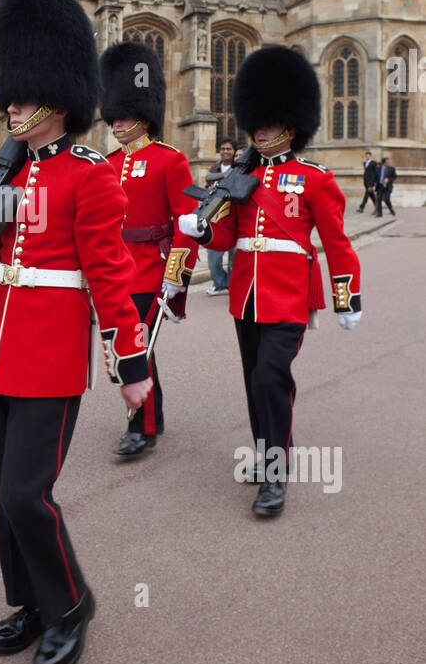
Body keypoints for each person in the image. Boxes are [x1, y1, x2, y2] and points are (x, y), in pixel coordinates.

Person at [0, 0, 153, 664]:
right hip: (1, 354)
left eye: (21, 97)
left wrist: (132, 363)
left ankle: (72, 603)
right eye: (9, 96)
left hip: (51, 359)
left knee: (27, 492)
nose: (10, 106)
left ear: (58, 98)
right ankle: (28, 601)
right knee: (1, 491)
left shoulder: (90, 179)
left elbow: (109, 279)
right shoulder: (8, 180)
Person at [179, 46, 362, 519]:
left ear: (290, 126)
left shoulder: (315, 179)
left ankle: (275, 476)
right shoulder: (241, 178)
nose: (257, 130)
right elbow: (229, 234)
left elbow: (337, 243)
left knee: (269, 377)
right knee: (255, 383)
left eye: (267, 123)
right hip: (246, 296)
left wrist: (346, 296)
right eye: (255, 123)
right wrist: (201, 230)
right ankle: (267, 455)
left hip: (289, 297)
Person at [99, 39, 199, 458]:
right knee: (121, 343)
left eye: (124, 117)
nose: (117, 124)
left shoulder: (169, 160)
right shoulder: (105, 163)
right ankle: (148, 415)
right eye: (114, 117)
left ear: (143, 117)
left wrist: (176, 276)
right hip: (115, 268)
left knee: (138, 344)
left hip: (150, 268)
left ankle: (142, 426)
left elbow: (187, 223)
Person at [205, 137, 236, 295]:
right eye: (223, 149)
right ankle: (219, 282)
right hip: (216, 215)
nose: (225, 152)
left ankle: (231, 284)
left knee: (234, 256)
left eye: (228, 149)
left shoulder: (239, 168)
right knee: (213, 256)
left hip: (233, 215)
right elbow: (206, 191)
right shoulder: (214, 169)